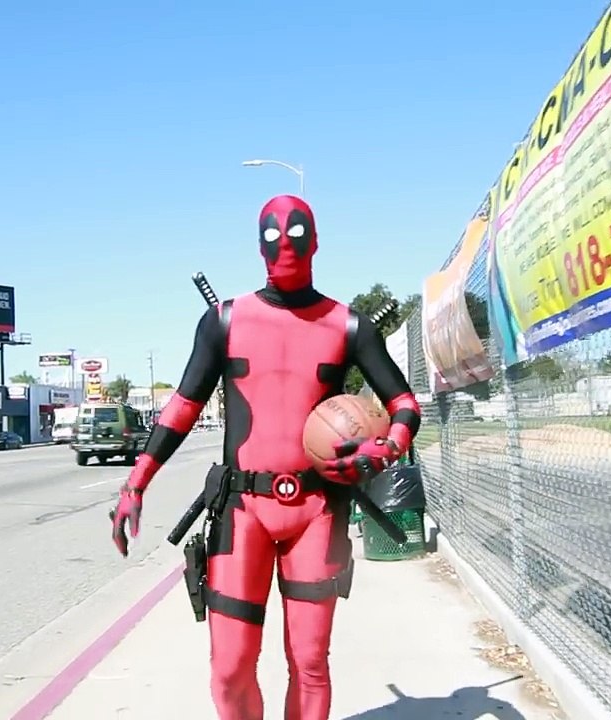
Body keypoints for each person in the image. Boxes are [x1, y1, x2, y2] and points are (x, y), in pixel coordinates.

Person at [109, 194, 421, 720]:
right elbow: (182, 407)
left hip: (318, 510)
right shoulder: (225, 320)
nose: (285, 246)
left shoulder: (348, 326)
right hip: (242, 509)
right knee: (229, 669)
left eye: (297, 235)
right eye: (273, 237)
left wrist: (386, 449)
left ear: (316, 241)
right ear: (258, 247)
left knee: (309, 661)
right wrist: (134, 484)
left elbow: (405, 405)